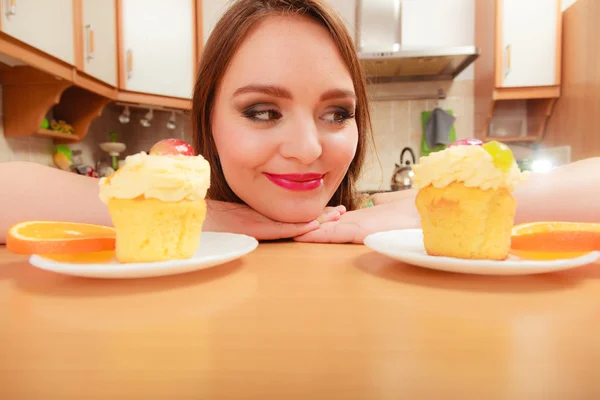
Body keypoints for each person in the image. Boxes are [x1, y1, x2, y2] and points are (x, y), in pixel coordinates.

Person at [0, 0, 599, 245]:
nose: (310, 147)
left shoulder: (378, 226)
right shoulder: (178, 238)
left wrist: (428, 208)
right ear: (207, 119)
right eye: (262, 111)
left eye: (337, 113)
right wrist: (194, 215)